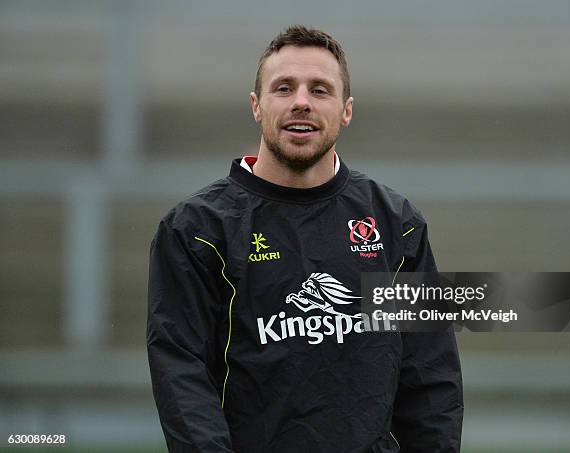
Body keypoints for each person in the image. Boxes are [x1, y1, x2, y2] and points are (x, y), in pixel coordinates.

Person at [147, 25, 463, 453]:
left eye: (320, 90)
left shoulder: (396, 224)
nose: (301, 102)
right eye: (283, 88)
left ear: (346, 110)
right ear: (256, 106)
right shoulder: (197, 231)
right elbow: (181, 376)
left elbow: (429, 377)